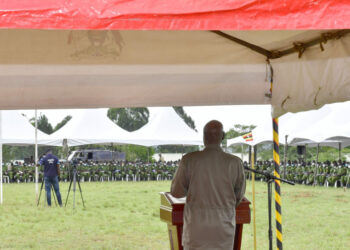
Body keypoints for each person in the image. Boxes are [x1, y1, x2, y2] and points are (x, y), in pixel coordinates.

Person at [171, 120, 246, 250]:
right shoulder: (235, 163)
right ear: (222, 137)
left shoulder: (189, 160)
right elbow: (238, 196)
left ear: (204, 137)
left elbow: (176, 192)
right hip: (224, 227)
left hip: (196, 227)